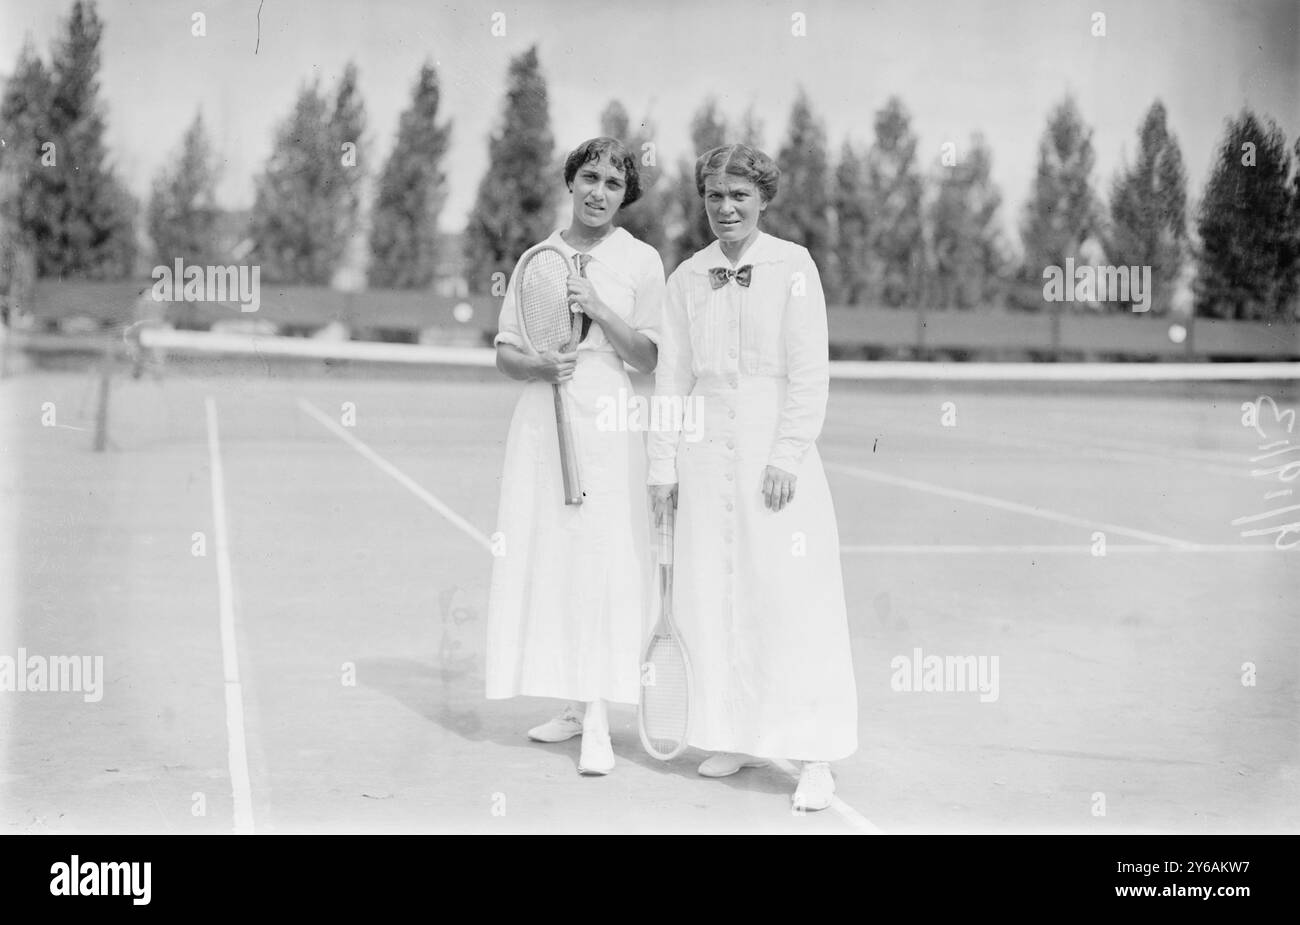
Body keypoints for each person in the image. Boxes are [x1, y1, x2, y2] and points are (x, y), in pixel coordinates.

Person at [647, 143, 858, 812]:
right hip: (704, 457)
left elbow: (808, 372)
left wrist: (787, 454)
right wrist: (662, 464)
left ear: (763, 198)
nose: (726, 207)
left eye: (739, 194)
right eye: (715, 195)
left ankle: (815, 753)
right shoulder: (686, 277)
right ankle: (734, 732)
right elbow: (671, 378)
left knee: (791, 597)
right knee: (715, 595)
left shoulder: (793, 266)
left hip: (774, 457)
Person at [485, 137, 664, 776]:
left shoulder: (642, 261)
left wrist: (599, 310)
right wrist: (539, 364)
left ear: (625, 195)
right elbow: (506, 350)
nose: (598, 192)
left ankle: (597, 720)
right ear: (571, 181)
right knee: (555, 554)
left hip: (608, 418)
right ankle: (571, 699)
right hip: (543, 413)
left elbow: (648, 356)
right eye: (589, 177)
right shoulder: (538, 257)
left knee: (601, 558)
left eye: (613, 185)